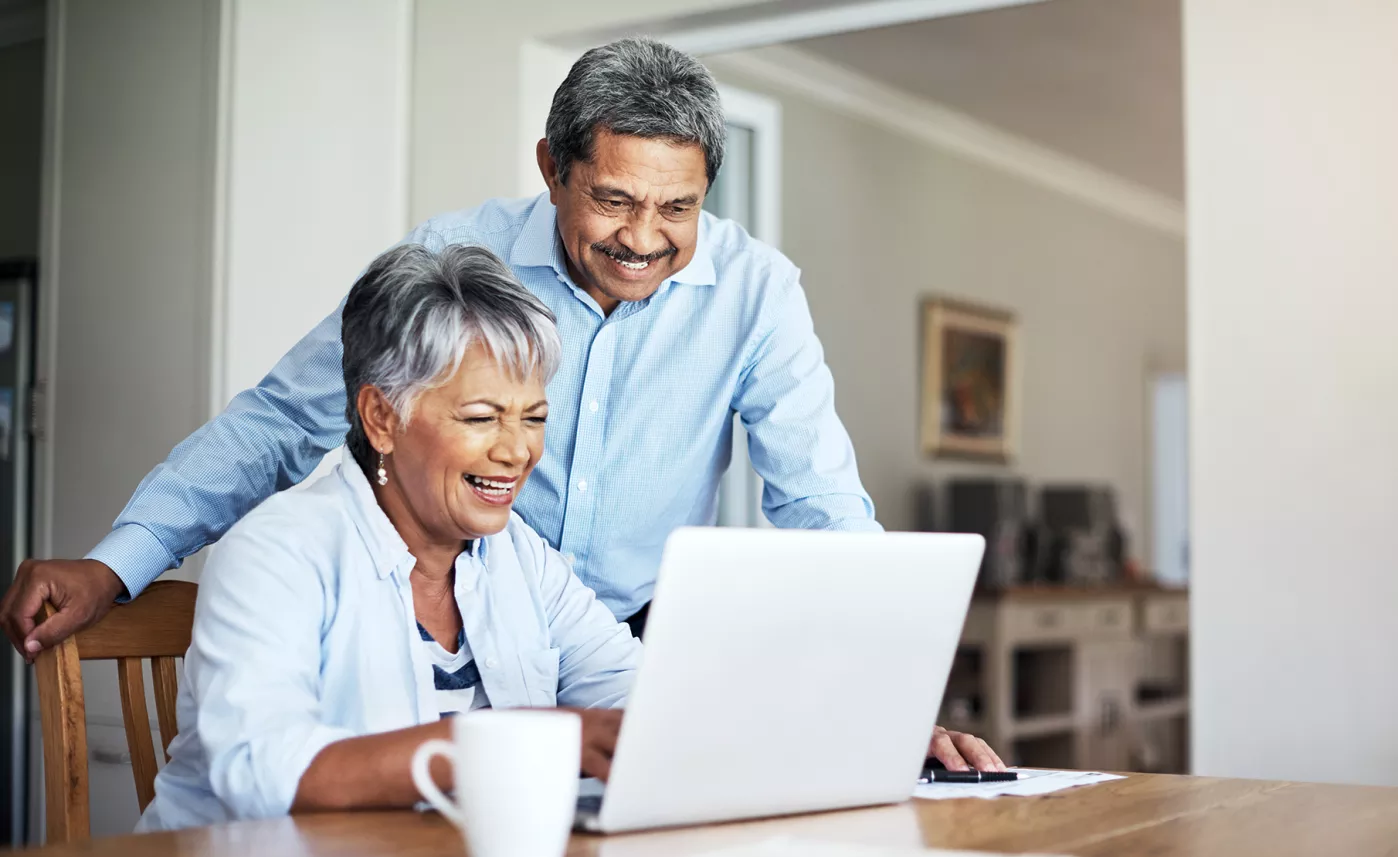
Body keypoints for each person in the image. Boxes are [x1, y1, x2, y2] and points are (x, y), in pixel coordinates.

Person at [2, 37, 1002, 773]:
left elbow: (823, 508)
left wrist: (877, 714)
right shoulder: (457, 263)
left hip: (591, 642)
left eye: (678, 208)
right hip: (444, 652)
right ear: (551, 168)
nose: (644, 238)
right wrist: (119, 560)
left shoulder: (756, 292)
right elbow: (278, 421)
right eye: (613, 198)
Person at [137, 244, 640, 831]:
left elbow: (633, 696)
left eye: (533, 418)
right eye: (481, 418)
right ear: (381, 418)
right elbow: (262, 774)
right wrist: (506, 743)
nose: (517, 452)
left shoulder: (519, 555)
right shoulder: (276, 551)